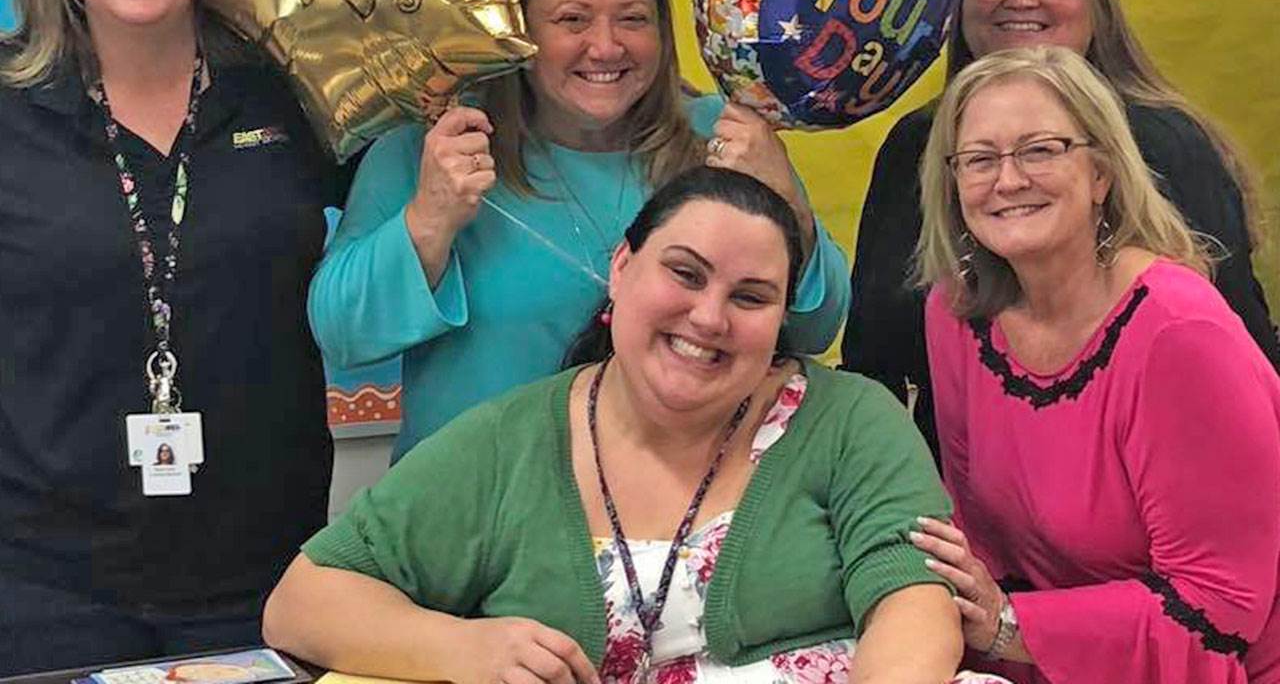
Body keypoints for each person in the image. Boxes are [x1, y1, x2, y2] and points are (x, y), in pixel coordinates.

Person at [266, 166, 964, 684]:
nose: (710, 317)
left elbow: (911, 598)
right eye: (685, 275)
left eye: (750, 297)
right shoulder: (510, 440)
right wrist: (464, 647)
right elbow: (304, 602)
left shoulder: (849, 420)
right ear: (622, 269)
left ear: (782, 318)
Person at [309, 0, 850, 460]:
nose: (607, 46)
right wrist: (429, 219)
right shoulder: (435, 145)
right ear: (517, 32)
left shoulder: (722, 137)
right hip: (472, 518)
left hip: (668, 515)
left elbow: (816, 328)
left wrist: (790, 203)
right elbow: (342, 335)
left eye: (633, 19)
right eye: (573, 20)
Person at [0, 0, 339, 671]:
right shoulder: (9, 106)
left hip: (271, 572)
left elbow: (440, 161)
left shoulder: (292, 92)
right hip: (43, 581)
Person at [841, 0, 1278, 458]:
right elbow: (871, 358)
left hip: (1145, 489)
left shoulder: (1167, 145)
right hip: (956, 492)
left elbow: (1236, 356)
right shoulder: (911, 148)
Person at [909, 46, 1280, 683]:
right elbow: (979, 539)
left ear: (1102, 174)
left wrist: (1008, 625)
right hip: (1040, 657)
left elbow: (1217, 614)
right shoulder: (956, 311)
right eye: (979, 159)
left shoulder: (1178, 332)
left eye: (1040, 150)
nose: (1007, 179)